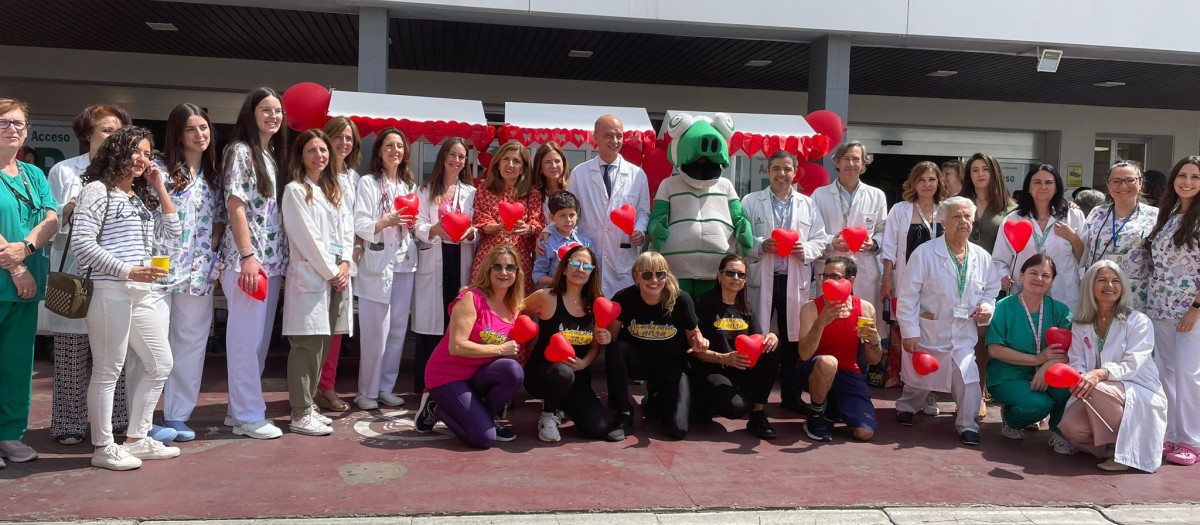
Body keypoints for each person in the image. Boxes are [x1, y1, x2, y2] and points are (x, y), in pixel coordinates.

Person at [73, 126, 182, 470]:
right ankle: (103, 447)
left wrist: (160, 187)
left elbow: (173, 238)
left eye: (148, 153)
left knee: (160, 363)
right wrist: (128, 270)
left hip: (140, 292)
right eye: (137, 150)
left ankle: (137, 438)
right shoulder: (96, 190)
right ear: (116, 150)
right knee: (108, 370)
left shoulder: (138, 198)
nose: (142, 159)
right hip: (109, 289)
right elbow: (82, 245)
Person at [44, 104, 134, 446]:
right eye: (105, 130)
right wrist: (69, 209)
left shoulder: (127, 173)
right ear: (87, 135)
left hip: (115, 276)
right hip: (74, 275)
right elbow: (50, 226)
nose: (113, 138)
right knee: (70, 350)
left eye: (118, 131)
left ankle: (116, 420)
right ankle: (68, 423)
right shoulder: (66, 171)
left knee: (113, 353)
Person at [147, 104, 225, 442]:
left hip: (198, 272)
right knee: (153, 344)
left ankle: (178, 415)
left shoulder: (213, 175)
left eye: (204, 128)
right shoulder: (158, 170)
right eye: (192, 129)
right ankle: (143, 417)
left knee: (191, 344)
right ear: (178, 133)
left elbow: (220, 219)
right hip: (160, 268)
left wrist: (211, 248)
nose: (200, 135)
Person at [896, 196, 999, 446]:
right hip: (929, 331)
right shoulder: (925, 253)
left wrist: (986, 307)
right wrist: (909, 331)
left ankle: (967, 424)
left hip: (963, 335)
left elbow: (991, 290)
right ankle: (907, 406)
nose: (963, 221)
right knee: (919, 381)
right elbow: (908, 295)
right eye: (956, 216)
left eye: (967, 216)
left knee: (969, 379)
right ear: (943, 222)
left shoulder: (982, 256)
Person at [218, 87, 289, 440]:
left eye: (278, 110)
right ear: (251, 112)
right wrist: (248, 255)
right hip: (248, 261)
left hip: (271, 262)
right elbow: (236, 206)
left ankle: (237, 410)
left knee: (259, 342)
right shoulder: (241, 152)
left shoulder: (271, 153)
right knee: (246, 341)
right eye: (266, 109)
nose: (273, 116)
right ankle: (249, 415)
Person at [413, 243, 526, 449]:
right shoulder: (470, 298)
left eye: (510, 268)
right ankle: (435, 408)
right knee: (483, 439)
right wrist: (501, 349)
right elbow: (457, 347)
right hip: (448, 376)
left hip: (477, 376)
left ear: (517, 273)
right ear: (488, 269)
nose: (504, 272)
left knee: (513, 370)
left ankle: (486, 417)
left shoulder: (514, 306)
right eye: (497, 266)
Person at [740, 150, 828, 414]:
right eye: (776, 168)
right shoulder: (750, 201)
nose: (782, 174)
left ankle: (790, 397)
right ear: (767, 172)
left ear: (795, 172)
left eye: (787, 169)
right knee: (758, 337)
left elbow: (820, 239)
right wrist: (759, 245)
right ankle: (754, 397)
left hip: (795, 281)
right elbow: (740, 238)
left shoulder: (808, 203)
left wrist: (806, 249)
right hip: (762, 280)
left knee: (792, 342)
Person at [1059, 260, 1166, 472]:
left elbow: (1133, 363)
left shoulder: (1139, 321)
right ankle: (1109, 446)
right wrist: (1081, 376)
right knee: (1070, 427)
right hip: (1099, 391)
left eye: (1115, 281)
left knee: (1095, 387)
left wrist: (1099, 373)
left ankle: (1125, 452)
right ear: (1090, 286)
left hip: (1136, 388)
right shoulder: (1082, 323)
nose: (1110, 285)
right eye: (1102, 280)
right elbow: (1077, 358)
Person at [280, 129, 354, 436]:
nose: (319, 155)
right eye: (312, 150)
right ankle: (299, 412)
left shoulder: (330, 190)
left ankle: (310, 405)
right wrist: (332, 271)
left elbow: (345, 230)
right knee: (305, 346)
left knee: (322, 344)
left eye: (323, 150)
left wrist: (346, 263)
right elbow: (307, 238)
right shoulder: (295, 190)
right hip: (316, 275)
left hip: (335, 275)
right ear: (301, 155)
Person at [0, 98, 58, 467]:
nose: (13, 128)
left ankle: (9, 435)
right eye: (4, 121)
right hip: (14, 279)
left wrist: (26, 248)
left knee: (16, 364)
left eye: (19, 123)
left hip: (24, 290)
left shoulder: (33, 174)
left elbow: (51, 217)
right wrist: (15, 265)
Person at [604, 252, 707, 441]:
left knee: (678, 430)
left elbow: (693, 336)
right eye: (646, 275)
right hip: (640, 363)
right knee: (616, 349)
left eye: (660, 274)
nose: (654, 280)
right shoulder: (624, 297)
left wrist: (700, 341)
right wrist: (603, 335)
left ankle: (657, 397)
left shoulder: (681, 300)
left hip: (671, 367)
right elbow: (612, 338)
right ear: (636, 277)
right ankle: (623, 414)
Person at [352, 128, 418, 410]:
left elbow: (415, 221)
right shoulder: (368, 183)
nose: (395, 150)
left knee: (398, 330)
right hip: (377, 265)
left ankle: (385, 388)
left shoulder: (408, 185)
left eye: (400, 146)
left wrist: (412, 223)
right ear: (379, 150)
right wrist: (384, 222)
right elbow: (360, 223)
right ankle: (365, 392)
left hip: (404, 263)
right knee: (374, 332)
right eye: (389, 145)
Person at [984, 254, 1075, 452]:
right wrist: (1037, 359)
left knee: (1067, 385)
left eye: (1045, 275)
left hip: (1047, 373)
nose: (1039, 279)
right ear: (1021, 275)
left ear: (1052, 281)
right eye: (1033, 273)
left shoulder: (1060, 310)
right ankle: (1011, 420)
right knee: (1037, 406)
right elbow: (995, 349)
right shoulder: (1004, 306)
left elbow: (1070, 351)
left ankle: (1059, 433)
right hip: (1009, 375)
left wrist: (1045, 367)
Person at [521, 245, 610, 442]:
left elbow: (595, 346)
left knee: (599, 428)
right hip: (543, 375)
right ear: (565, 267)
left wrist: (584, 363)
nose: (580, 269)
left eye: (587, 266)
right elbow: (516, 311)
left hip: (578, 378)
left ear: (592, 273)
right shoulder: (546, 297)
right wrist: (528, 333)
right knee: (563, 371)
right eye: (575, 263)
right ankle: (548, 416)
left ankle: (562, 403)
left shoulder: (595, 304)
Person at [1144, 155, 1200, 466]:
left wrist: (1196, 308)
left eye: (1195, 177)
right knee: (1166, 374)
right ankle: (1170, 435)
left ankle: (1191, 440)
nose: (1187, 182)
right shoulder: (1169, 215)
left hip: (1190, 311)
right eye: (1182, 175)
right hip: (1159, 308)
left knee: (1188, 374)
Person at [881, 161, 948, 415]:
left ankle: (929, 393)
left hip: (938, 284)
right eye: (921, 180)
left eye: (932, 179)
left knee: (932, 337)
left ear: (938, 183)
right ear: (913, 183)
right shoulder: (900, 209)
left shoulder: (946, 209)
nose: (927, 185)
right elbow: (888, 247)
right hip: (907, 282)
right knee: (909, 334)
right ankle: (911, 390)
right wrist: (886, 279)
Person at [412, 138, 477, 394]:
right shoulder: (426, 190)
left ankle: (452, 381)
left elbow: (478, 227)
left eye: (462, 157)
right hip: (435, 258)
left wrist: (471, 233)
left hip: (460, 258)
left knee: (457, 321)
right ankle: (426, 385)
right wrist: (433, 229)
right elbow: (416, 224)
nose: (457, 161)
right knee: (432, 325)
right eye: (453, 155)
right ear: (443, 157)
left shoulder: (471, 192)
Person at [691, 254, 781, 439]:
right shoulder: (704, 304)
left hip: (741, 368)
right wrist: (724, 358)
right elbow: (694, 350)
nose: (736, 278)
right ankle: (705, 400)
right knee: (735, 408)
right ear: (720, 275)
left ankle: (758, 414)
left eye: (741, 275)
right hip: (714, 368)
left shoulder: (746, 307)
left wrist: (771, 337)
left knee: (773, 348)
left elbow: (758, 339)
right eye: (731, 273)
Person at [796, 256, 882, 442]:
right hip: (814, 371)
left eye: (834, 276)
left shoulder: (865, 309)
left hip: (849, 373)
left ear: (851, 281)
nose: (828, 281)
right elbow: (803, 353)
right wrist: (820, 323)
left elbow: (874, 360)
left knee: (864, 433)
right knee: (828, 361)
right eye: (824, 276)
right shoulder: (811, 308)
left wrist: (875, 342)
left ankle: (833, 407)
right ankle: (816, 415)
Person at [565, 115, 650, 296]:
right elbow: (569, 213)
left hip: (622, 254)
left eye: (619, 136)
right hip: (588, 253)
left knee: (621, 309)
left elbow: (643, 212)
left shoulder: (637, 175)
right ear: (595, 137)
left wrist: (640, 231)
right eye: (608, 136)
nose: (615, 141)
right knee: (588, 307)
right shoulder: (580, 173)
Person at [959, 152, 1016, 416]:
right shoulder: (960, 203)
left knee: (994, 341)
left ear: (995, 173)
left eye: (985, 169)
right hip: (963, 279)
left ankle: (1002, 396)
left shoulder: (1011, 209)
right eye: (974, 170)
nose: (980, 174)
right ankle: (977, 393)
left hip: (997, 283)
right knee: (971, 340)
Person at [315, 116, 363, 413]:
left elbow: (355, 220)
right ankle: (308, 388)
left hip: (344, 262)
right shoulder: (315, 174)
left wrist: (353, 251)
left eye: (349, 138)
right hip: (317, 260)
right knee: (313, 329)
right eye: (338, 137)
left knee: (335, 328)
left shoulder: (353, 178)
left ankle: (326, 387)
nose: (344, 143)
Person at [992, 164, 1086, 312]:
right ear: (1028, 188)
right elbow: (999, 259)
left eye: (1048, 182)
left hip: (1064, 295)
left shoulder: (1073, 217)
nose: (1043, 186)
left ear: (1056, 188)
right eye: (1037, 182)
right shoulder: (1014, 219)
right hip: (1024, 293)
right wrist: (1003, 276)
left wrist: (1072, 237)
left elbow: (1085, 258)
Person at [812, 140, 887, 314]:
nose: (851, 164)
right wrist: (831, 241)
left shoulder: (876, 195)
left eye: (856, 159)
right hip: (831, 265)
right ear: (837, 162)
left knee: (863, 319)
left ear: (863, 164)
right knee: (831, 318)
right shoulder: (820, 195)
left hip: (864, 267)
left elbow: (883, 230)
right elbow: (812, 232)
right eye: (845, 158)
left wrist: (874, 243)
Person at [1080, 161, 1158, 312]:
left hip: (1135, 295)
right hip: (1099, 292)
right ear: (1108, 186)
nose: (1123, 186)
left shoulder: (1155, 216)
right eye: (1116, 181)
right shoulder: (1097, 213)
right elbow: (1085, 248)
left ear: (1140, 183)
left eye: (1130, 180)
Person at [472, 140, 545, 295]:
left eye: (516, 161)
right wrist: (496, 227)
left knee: (514, 305)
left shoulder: (533, 194)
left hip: (519, 258)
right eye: (505, 159)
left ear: (523, 169)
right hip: (489, 256)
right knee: (484, 301)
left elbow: (539, 224)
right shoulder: (484, 189)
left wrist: (528, 229)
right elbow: (480, 219)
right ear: (498, 164)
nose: (510, 164)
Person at [533, 190, 592, 288]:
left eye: (572, 215)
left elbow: (594, 269)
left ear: (577, 215)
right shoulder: (547, 244)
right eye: (562, 215)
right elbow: (537, 275)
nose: (568, 220)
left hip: (581, 297)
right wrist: (559, 282)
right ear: (552, 217)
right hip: (556, 296)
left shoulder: (586, 243)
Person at [531, 141, 570, 220]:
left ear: (564, 164)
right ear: (540, 167)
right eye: (548, 162)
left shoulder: (572, 190)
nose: (554, 166)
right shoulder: (533, 194)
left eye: (557, 161)